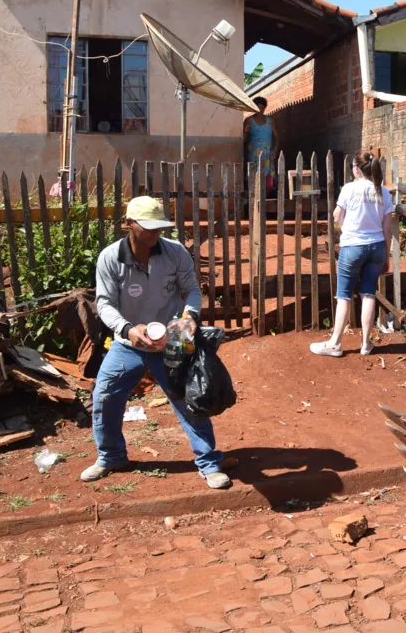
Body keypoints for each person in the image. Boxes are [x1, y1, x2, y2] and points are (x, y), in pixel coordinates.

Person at [87, 196, 233, 489]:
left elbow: (192, 289)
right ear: (128, 224)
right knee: (104, 398)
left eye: (160, 226)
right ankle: (111, 456)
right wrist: (127, 329)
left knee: (191, 399)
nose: (156, 232)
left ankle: (208, 462)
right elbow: (104, 304)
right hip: (128, 341)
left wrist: (189, 316)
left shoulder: (175, 252)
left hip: (175, 338)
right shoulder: (110, 258)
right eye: (148, 226)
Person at [310, 150, 393, 357]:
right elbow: (387, 228)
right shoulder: (383, 192)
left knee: (344, 296)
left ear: (356, 169)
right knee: (368, 293)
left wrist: (342, 213)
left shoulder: (348, 189)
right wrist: (386, 256)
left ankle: (336, 343)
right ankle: (366, 344)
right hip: (377, 247)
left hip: (352, 247)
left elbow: (337, 217)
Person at [244, 95, 279, 197]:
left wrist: (275, 150)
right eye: (257, 107)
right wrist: (245, 132)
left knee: (268, 184)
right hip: (253, 158)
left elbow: (277, 137)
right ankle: (255, 208)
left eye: (262, 108)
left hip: (267, 157)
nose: (260, 110)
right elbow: (243, 141)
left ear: (265, 108)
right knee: (254, 185)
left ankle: (265, 205)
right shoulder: (248, 121)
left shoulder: (270, 121)